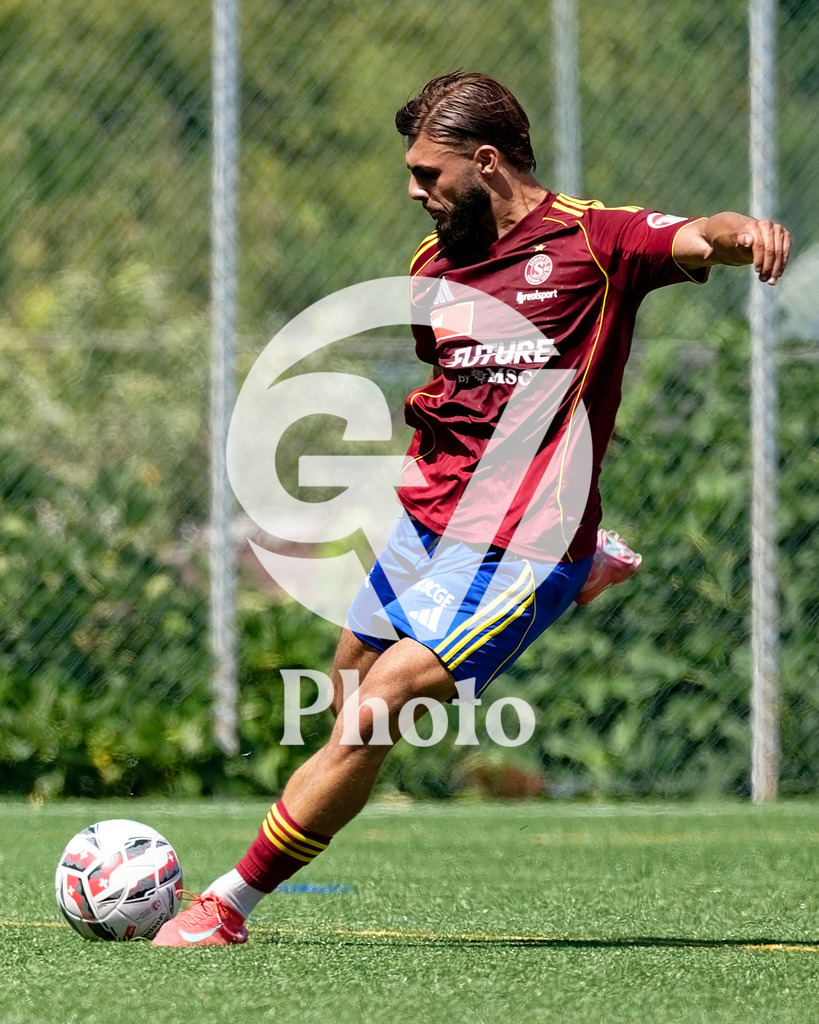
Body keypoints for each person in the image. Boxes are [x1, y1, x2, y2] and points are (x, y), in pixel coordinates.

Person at [153, 71, 791, 947]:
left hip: (521, 545)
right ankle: (586, 566)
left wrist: (742, 234)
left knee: (376, 710)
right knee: (346, 695)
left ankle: (227, 905)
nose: (413, 189)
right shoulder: (433, 266)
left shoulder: (592, 243)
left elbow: (696, 234)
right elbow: (455, 387)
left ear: (485, 162)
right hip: (426, 524)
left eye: (428, 173)